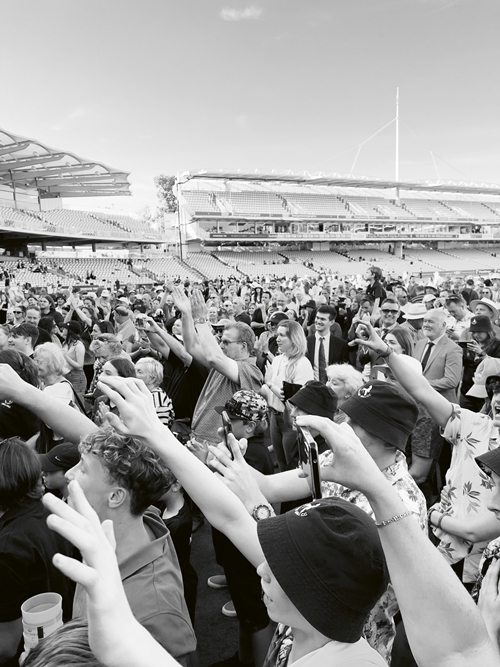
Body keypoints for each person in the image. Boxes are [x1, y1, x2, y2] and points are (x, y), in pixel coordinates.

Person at [94, 377, 391, 667]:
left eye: (283, 566)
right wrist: (155, 433)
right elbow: (231, 517)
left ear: (319, 593)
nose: (263, 566)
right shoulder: (303, 623)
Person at [67, 426, 197, 665]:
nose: (68, 474)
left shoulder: (155, 610)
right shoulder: (136, 518)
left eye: (82, 468)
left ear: (116, 496)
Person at [210, 390, 275, 667]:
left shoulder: (253, 456)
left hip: (245, 552)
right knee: (246, 611)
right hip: (235, 548)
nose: (221, 426)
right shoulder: (243, 450)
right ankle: (244, 658)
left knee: (256, 616)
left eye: (229, 421)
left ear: (249, 427)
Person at [0, 438, 74, 667]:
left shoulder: (8, 549)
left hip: (34, 656)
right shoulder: (51, 509)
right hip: (65, 641)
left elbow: (6, 647)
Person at [178, 289, 262, 448]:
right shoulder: (224, 363)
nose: (220, 345)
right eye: (221, 340)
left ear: (243, 347)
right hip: (199, 439)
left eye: (226, 342)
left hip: (217, 445)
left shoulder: (250, 370)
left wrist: (201, 320)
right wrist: (186, 314)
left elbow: (214, 357)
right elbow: (191, 345)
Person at [261, 320, 313, 471]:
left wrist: (270, 384)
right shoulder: (277, 359)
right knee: (280, 462)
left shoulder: (303, 364)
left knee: (293, 465)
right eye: (277, 335)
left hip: (290, 421)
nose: (277, 339)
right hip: (274, 416)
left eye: (282, 335)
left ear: (294, 339)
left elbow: (293, 400)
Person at [305, 305, 349, 382]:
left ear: (331, 322)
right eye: (317, 318)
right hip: (311, 388)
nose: (318, 321)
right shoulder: (306, 342)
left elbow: (345, 370)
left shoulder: (341, 345)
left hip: (333, 389)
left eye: (322, 319)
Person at [135, 357, 175, 427]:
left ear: (152, 379)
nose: (133, 374)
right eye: (133, 370)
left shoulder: (158, 397)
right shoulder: (142, 393)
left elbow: (161, 430)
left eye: (139, 371)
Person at [60, 321, 87, 403]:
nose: (63, 330)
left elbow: (80, 366)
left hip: (76, 378)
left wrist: (66, 357)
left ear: (70, 331)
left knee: (77, 403)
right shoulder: (65, 343)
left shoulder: (78, 345)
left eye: (65, 328)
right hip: (65, 375)